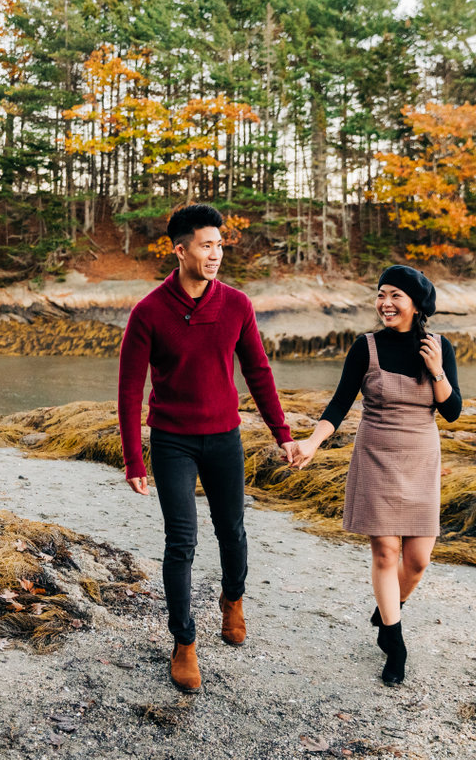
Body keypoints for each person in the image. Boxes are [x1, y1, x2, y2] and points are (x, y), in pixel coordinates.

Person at [117, 203, 299, 693]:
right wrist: (134, 458)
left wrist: (282, 434)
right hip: (173, 440)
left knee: (232, 530)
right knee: (181, 543)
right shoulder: (148, 312)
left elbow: (258, 372)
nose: (216, 253)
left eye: (220, 245)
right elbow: (130, 388)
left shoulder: (237, 305)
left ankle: (233, 599)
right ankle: (184, 642)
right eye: (206, 245)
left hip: (224, 438)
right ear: (180, 250)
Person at [291, 265, 461, 686]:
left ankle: (389, 609)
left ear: (416, 304)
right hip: (376, 454)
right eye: (381, 294)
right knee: (386, 552)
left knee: (417, 561)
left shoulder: (440, 347)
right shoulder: (364, 347)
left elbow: (453, 411)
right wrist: (312, 442)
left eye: (395, 296)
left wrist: (437, 369)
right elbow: (339, 404)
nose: (386, 303)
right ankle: (395, 641)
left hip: (422, 456)